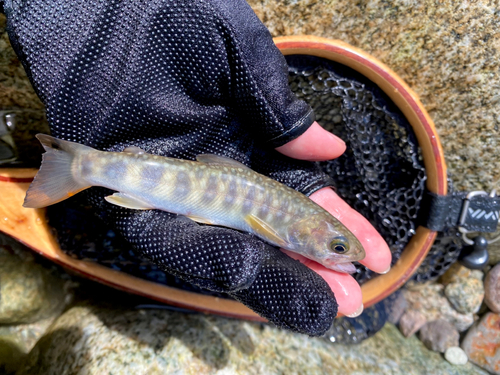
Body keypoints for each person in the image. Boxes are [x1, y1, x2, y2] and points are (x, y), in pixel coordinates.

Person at [2, 0, 391, 335]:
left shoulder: (294, 225)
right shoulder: (284, 228)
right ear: (307, 231)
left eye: (338, 248)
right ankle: (78, 165)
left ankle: (79, 165)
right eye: (336, 247)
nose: (337, 253)